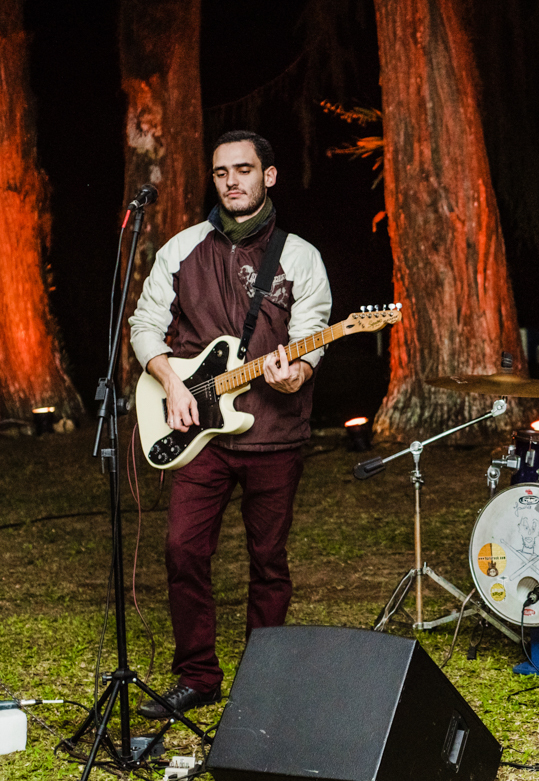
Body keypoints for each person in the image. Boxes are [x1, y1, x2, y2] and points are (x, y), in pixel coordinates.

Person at [129, 130, 332, 718]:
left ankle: (260, 682)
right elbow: (144, 326)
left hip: (275, 434)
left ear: (269, 176)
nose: (231, 182)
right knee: (183, 550)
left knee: (268, 562)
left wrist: (295, 375)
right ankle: (197, 676)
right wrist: (170, 382)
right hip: (199, 434)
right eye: (221, 173)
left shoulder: (300, 256)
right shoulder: (182, 248)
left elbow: (311, 338)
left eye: (243, 170)